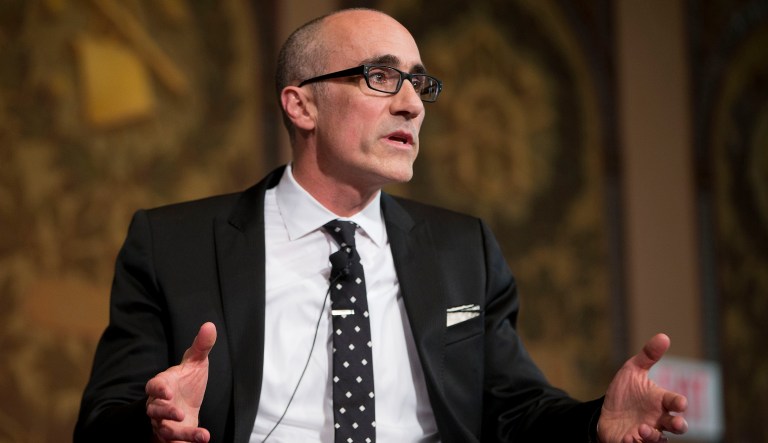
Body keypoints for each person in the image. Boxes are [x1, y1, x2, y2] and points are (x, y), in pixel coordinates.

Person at [74, 7, 688, 443]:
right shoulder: (173, 245)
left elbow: (514, 409)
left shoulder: (463, 250)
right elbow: (102, 420)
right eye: (382, 77)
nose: (412, 104)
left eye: (418, 83)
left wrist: (595, 422)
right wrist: (155, 423)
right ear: (301, 104)